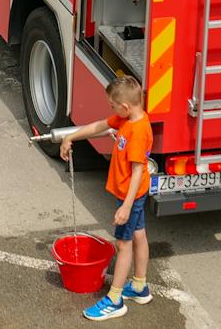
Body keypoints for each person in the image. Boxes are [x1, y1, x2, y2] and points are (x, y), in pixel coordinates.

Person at [58, 76, 157, 320]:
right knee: (139, 235)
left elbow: (136, 172)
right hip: (134, 194)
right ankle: (139, 285)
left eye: (112, 105)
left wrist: (126, 205)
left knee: (123, 245)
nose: (110, 109)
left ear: (125, 107)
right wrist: (70, 137)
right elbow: (100, 126)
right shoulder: (128, 119)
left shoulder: (137, 131)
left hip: (131, 195)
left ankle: (115, 300)